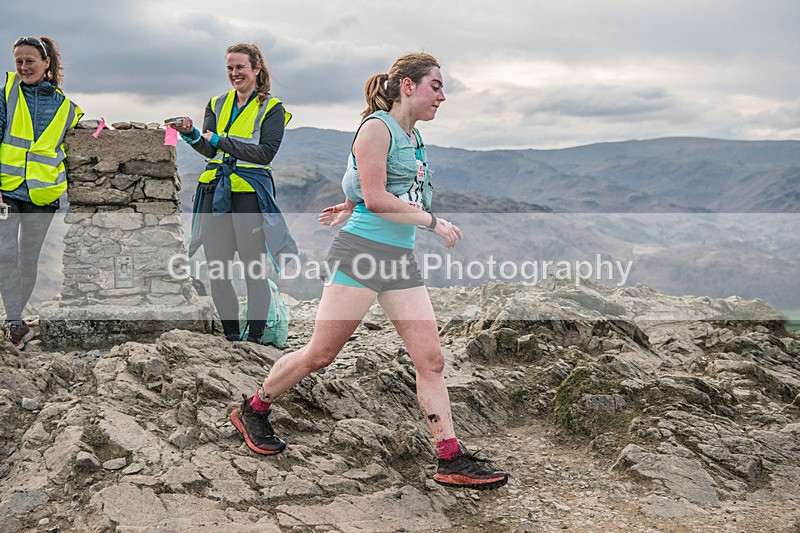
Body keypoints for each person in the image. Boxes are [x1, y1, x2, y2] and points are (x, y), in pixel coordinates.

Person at [230, 53, 509, 490]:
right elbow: (379, 198)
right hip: (361, 253)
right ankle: (254, 408)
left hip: (399, 259)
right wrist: (434, 223)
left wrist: (350, 202)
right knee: (321, 355)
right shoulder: (376, 128)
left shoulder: (412, 136)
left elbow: (372, 188)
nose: (442, 95)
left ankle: (449, 457)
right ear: (408, 86)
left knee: (431, 359)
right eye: (436, 85)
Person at [174, 43, 297, 344]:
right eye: (230, 67)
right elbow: (209, 147)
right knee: (218, 269)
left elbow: (265, 153)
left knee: (254, 270)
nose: (234, 73)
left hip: (249, 194)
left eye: (240, 67)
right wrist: (191, 135)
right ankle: (231, 337)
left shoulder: (272, 108)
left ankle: (254, 340)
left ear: (256, 69)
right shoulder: (216, 103)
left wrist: (221, 139)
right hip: (216, 191)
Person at [0, 36, 82, 350]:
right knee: (6, 255)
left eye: (29, 61)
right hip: (6, 191)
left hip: (42, 195)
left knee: (28, 259)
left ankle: (14, 319)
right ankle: (14, 322)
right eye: (18, 61)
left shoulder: (65, 106)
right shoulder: (5, 95)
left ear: (46, 63)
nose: (23, 67)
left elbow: (82, 132)